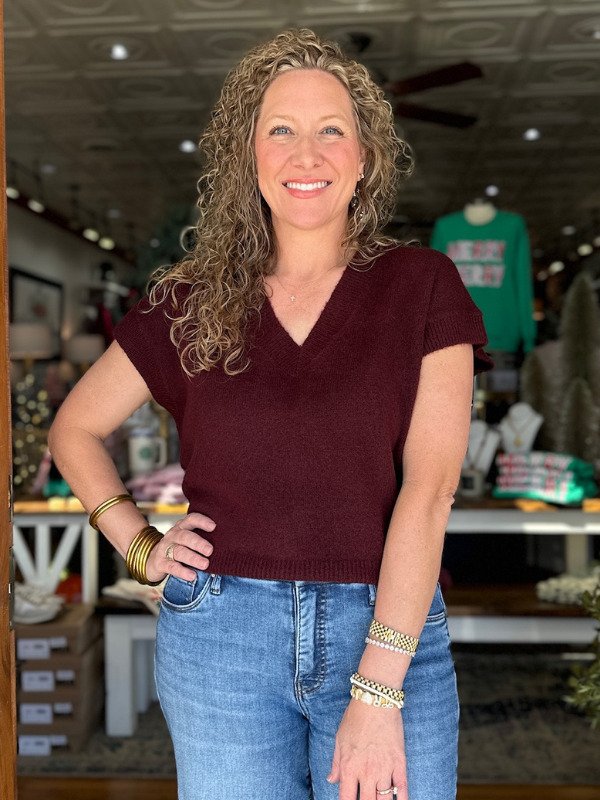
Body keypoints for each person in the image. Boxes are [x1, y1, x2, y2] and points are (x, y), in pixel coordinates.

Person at [48, 28, 493, 800]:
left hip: (385, 625)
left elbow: (431, 491)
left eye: (331, 131)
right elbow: (73, 429)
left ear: (366, 157)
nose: (306, 154)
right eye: (280, 130)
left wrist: (378, 688)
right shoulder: (191, 302)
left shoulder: (422, 286)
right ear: (248, 158)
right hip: (219, 636)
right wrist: (140, 543)